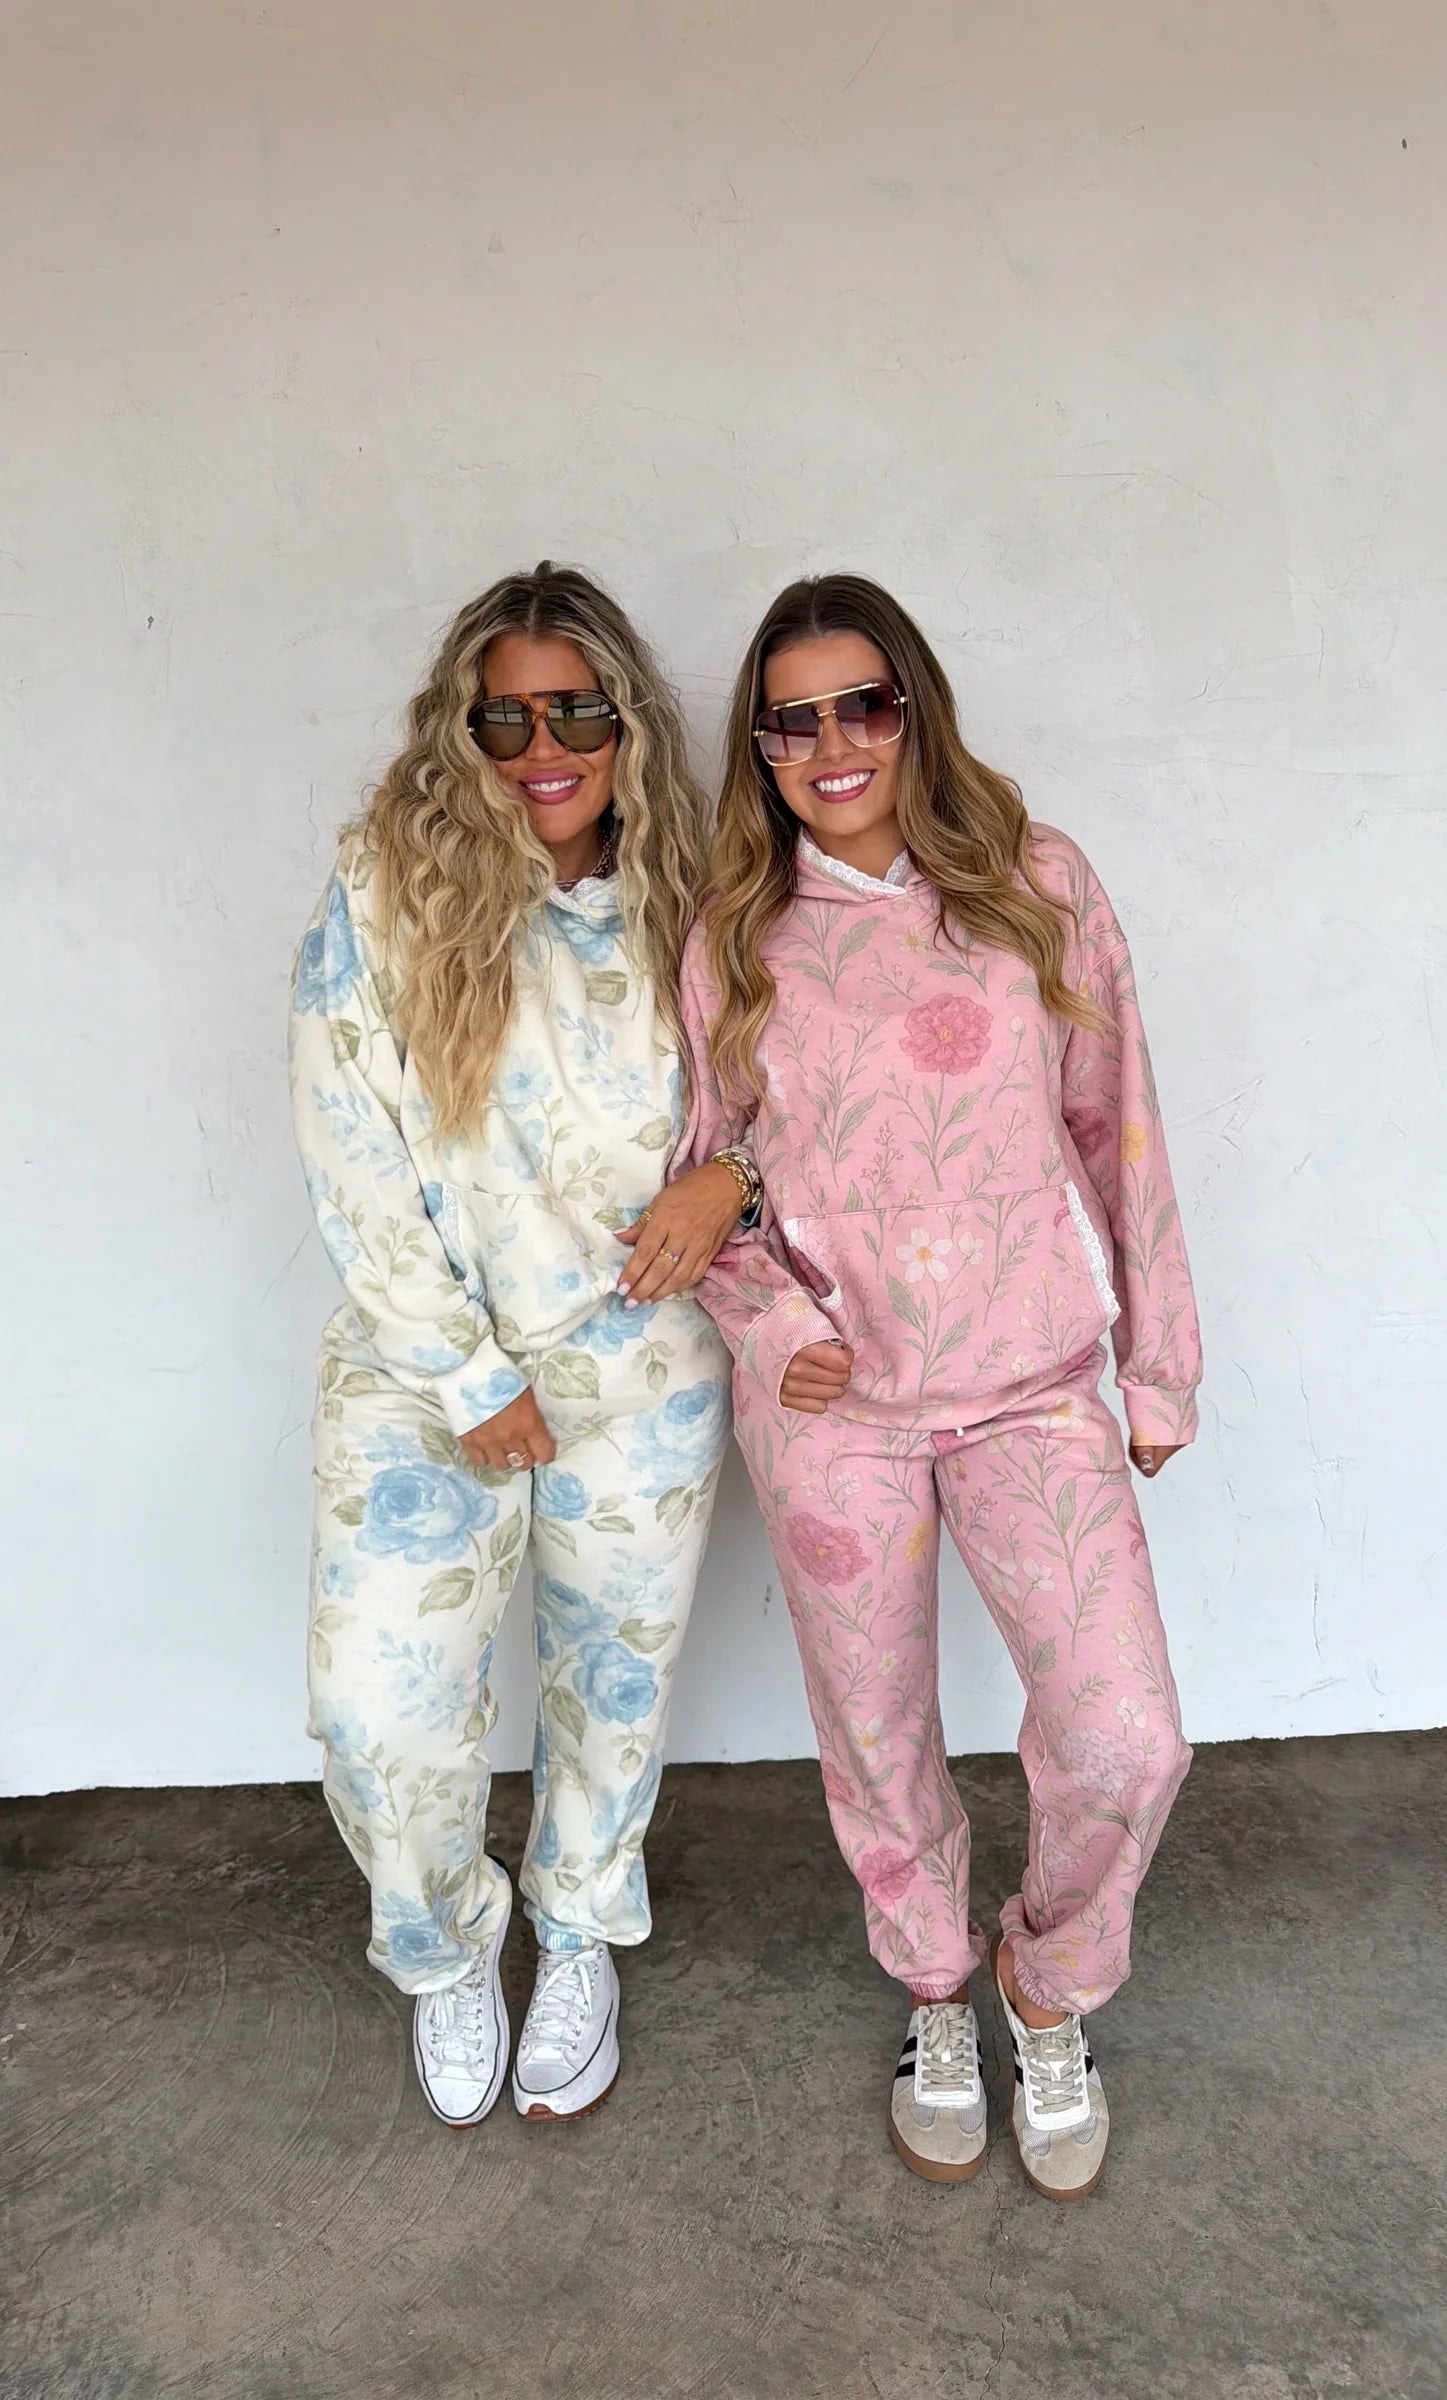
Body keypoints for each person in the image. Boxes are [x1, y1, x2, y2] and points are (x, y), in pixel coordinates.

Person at [675, 574, 1201, 2196]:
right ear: (761, 751)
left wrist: (1160, 1364)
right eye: (793, 720)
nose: (833, 742)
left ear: (915, 710)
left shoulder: (1041, 882)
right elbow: (703, 1188)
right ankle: (930, 1993)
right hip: (835, 1410)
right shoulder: (735, 937)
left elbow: (1120, 1124)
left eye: (864, 703)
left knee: (1126, 1738)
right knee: (876, 1729)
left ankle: (1048, 1985)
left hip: (1030, 1385)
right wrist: (776, 1331)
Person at [290, 564, 759, 2127]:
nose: (542, 747)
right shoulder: (384, 889)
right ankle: (445, 1949)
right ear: (461, 729)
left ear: (632, 725)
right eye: (506, 718)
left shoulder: (704, 902)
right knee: (380, 1712)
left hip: (641, 1371)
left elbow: (809, 1092)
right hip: (424, 1377)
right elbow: (349, 1143)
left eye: (578, 712)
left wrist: (737, 1175)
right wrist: (466, 1378)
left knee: (611, 1692)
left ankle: (576, 1930)